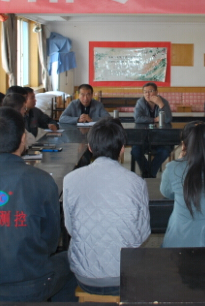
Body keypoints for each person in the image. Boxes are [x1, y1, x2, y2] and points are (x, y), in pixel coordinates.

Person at [0, 107, 76, 302]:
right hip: (29, 285)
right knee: (72, 260)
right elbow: (51, 240)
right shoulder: (43, 180)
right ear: (23, 139)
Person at [63, 117, 150, 295]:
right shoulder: (137, 182)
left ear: (89, 147)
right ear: (122, 149)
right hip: (125, 275)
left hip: (85, 277)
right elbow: (143, 234)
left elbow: (70, 228)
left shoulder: (70, 179)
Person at [132, 82, 173, 178]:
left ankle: (149, 173)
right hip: (144, 138)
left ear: (156, 92)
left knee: (165, 151)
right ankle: (148, 172)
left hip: (161, 138)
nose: (148, 94)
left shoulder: (163, 102)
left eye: (150, 91)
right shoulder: (140, 102)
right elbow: (137, 118)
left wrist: (161, 105)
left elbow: (168, 119)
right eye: (145, 92)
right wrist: (154, 120)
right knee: (135, 151)